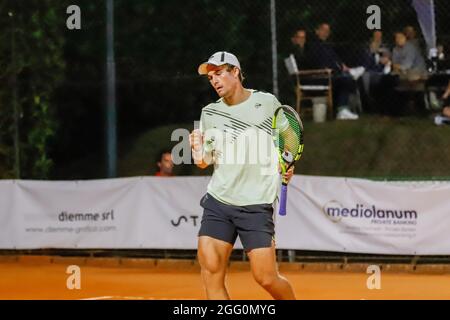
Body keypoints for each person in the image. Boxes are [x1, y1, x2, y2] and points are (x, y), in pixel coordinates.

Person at [189, 51, 296, 300]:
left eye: (219, 74)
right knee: (211, 270)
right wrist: (197, 150)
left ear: (235, 72)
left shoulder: (267, 103)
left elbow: (288, 138)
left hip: (256, 203)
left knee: (266, 278)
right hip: (219, 202)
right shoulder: (209, 113)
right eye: (210, 78)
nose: (214, 80)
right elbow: (205, 161)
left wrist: (287, 164)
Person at [309, 23, 364, 120]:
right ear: (317, 31)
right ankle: (342, 110)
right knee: (346, 80)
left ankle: (348, 108)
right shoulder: (314, 46)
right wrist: (335, 68)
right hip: (322, 77)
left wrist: (343, 66)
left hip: (333, 74)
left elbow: (336, 60)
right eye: (323, 30)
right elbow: (319, 64)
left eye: (328, 31)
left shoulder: (327, 46)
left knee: (352, 78)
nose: (326, 33)